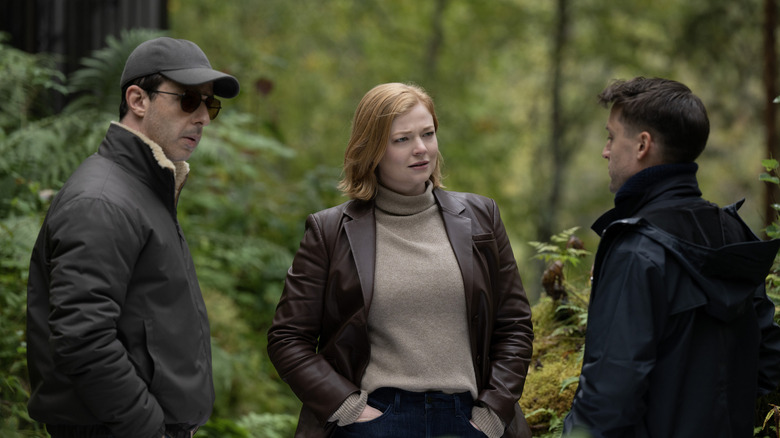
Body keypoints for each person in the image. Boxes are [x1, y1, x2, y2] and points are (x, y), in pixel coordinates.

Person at [267, 82, 534, 438]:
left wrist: (492, 412)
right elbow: (287, 338)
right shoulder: (330, 231)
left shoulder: (481, 217)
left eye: (428, 134)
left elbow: (514, 324)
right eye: (402, 139)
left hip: (466, 420)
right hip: (375, 420)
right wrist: (346, 407)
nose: (421, 148)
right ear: (372, 149)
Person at [26, 37, 239, 438]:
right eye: (189, 100)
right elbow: (83, 337)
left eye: (209, 105)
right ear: (138, 100)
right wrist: (148, 428)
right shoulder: (103, 200)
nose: (203, 119)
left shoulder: (143, 189)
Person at [561, 77, 780, 437]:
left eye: (612, 136)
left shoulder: (637, 250)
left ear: (643, 144)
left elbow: (608, 400)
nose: (606, 150)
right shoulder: (733, 232)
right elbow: (768, 359)